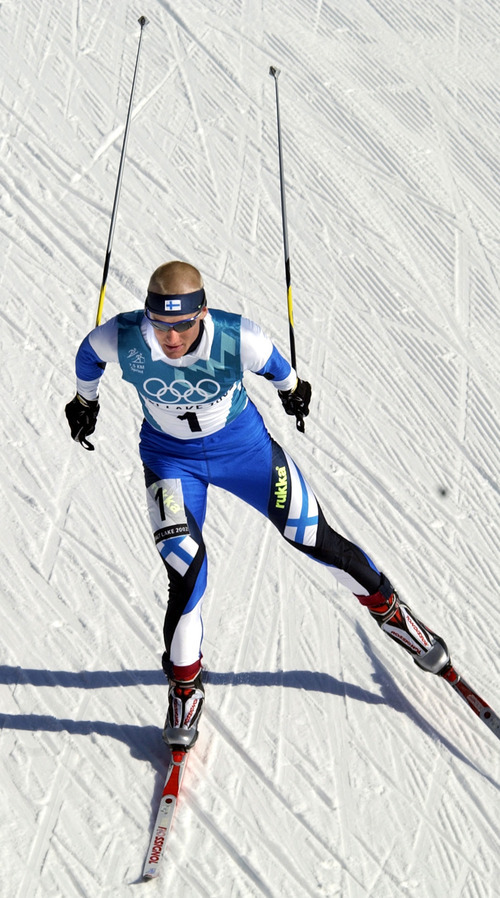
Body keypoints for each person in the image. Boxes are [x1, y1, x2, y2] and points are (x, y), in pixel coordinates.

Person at [66, 260, 450, 751]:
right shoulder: (124, 336)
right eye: (160, 324)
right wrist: (86, 402)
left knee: (313, 538)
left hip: (246, 454)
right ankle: (185, 689)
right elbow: (88, 355)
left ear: (202, 313)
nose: (171, 338)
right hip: (170, 462)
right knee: (187, 570)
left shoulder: (237, 337)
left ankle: (396, 616)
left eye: (182, 325)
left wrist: (294, 394)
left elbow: (280, 371)